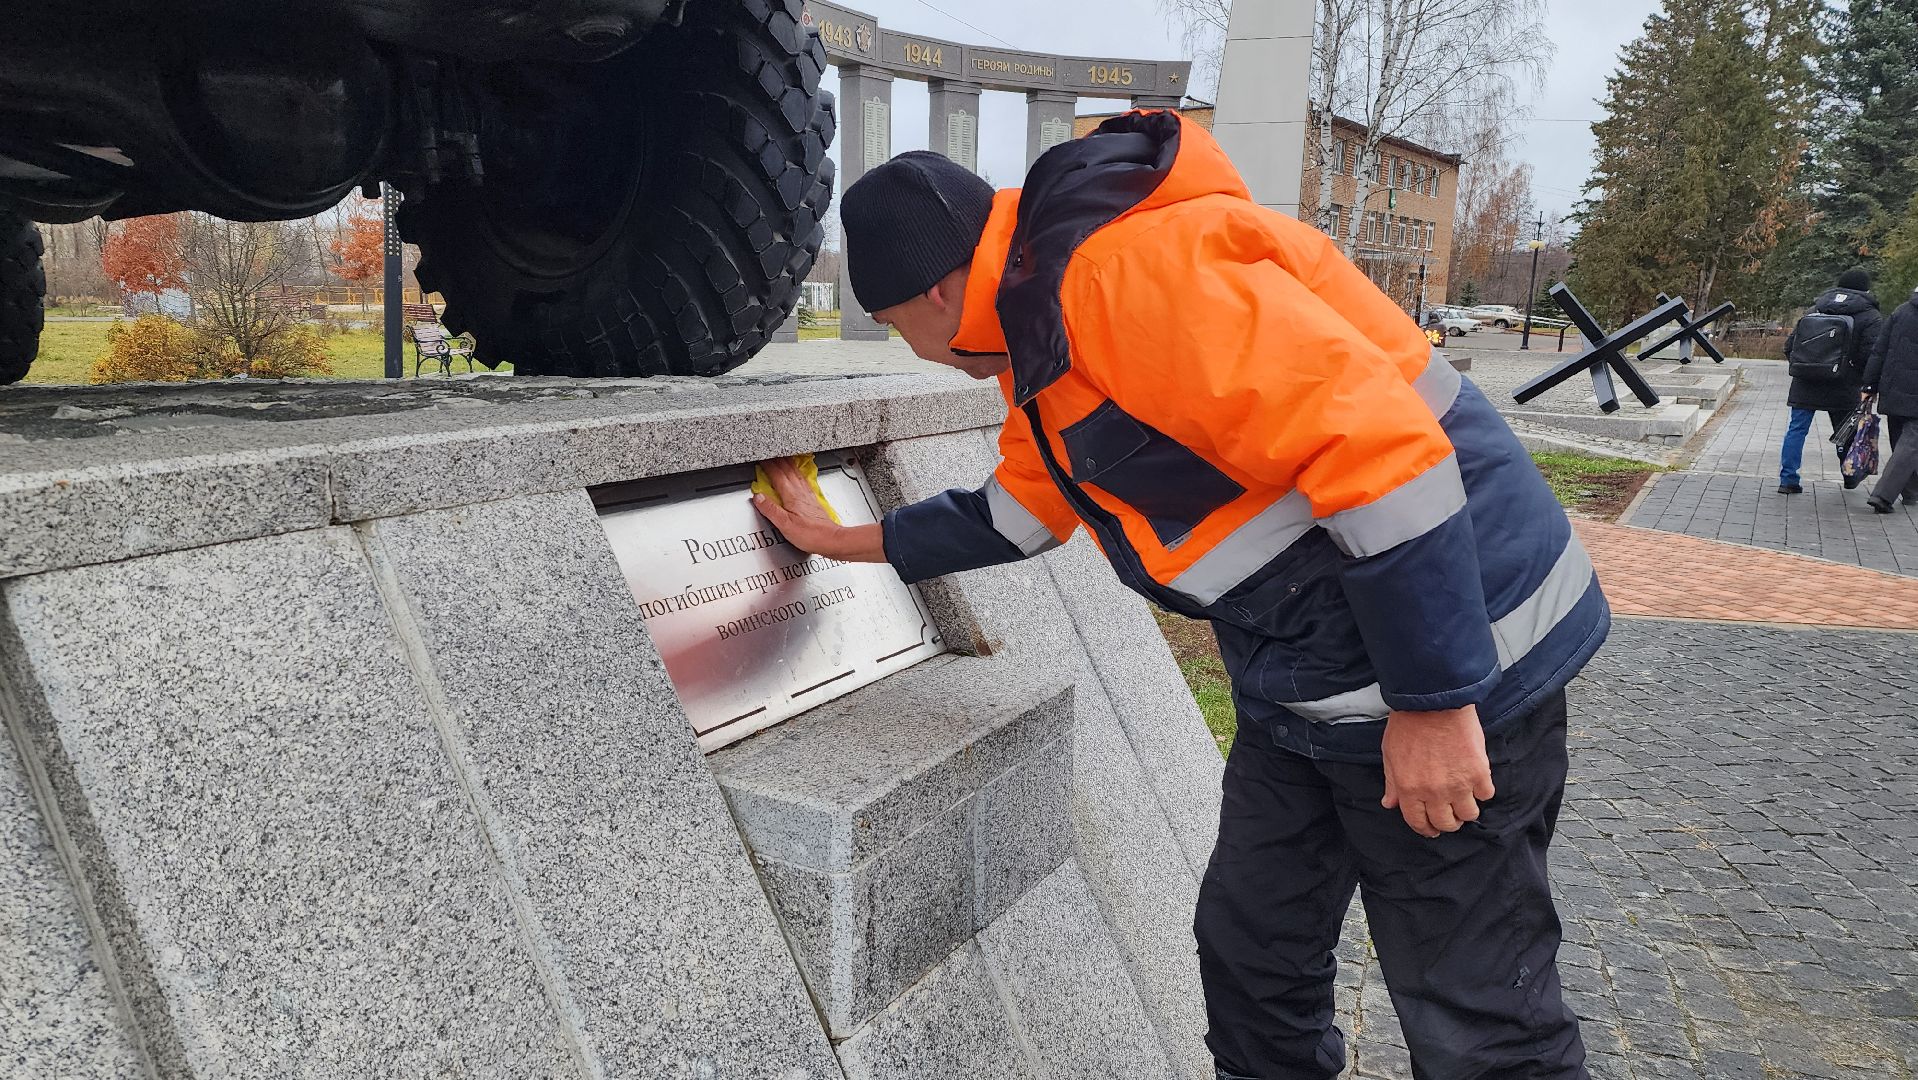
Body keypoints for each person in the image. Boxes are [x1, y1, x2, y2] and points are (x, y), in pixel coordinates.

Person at [755, 112, 1608, 1080]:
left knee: (1476, 1023)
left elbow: (1384, 456)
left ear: (935, 290)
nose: (916, 352)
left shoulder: (1121, 278)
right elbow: (1016, 511)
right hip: (1304, 686)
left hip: (1459, 660)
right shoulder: (1036, 337)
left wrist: (1437, 700)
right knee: (1252, 961)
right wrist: (842, 540)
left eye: (900, 327)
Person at [1779, 269, 1883, 493]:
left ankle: (1788, 480)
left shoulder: (1815, 308)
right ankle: (1849, 475)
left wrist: (1805, 368)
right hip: (1844, 384)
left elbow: (1790, 346)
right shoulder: (1870, 316)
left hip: (1805, 381)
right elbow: (1871, 355)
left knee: (1796, 430)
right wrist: (1865, 382)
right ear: (1866, 289)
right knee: (1846, 431)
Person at [1865, 286, 1918, 513]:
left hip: (1894, 387)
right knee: (1910, 443)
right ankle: (1883, 495)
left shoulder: (1901, 311)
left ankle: (1911, 491)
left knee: (1901, 441)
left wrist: (1870, 384)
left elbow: (1880, 350)